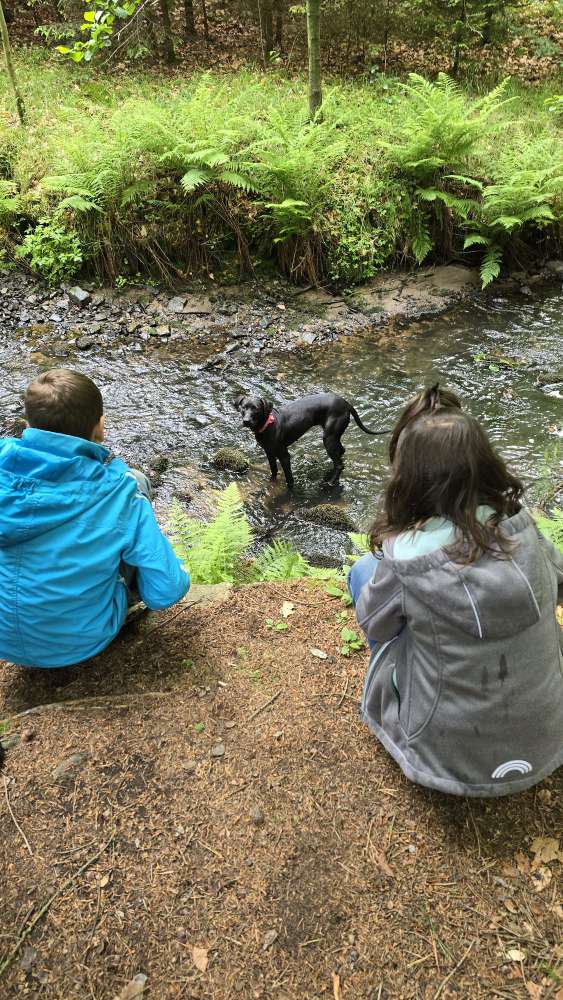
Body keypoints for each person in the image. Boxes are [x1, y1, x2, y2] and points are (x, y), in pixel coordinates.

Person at [348, 385, 563, 797]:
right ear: (484, 466)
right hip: (546, 738)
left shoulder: (405, 558)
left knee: (362, 573)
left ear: (408, 480)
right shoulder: (524, 530)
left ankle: (407, 692)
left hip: (446, 757)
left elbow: (373, 622)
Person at [0, 369, 190, 669]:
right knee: (139, 483)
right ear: (99, 426)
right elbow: (167, 592)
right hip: (82, 641)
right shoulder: (120, 489)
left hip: (4, 640)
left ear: (29, 424)